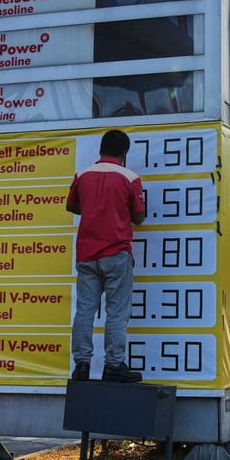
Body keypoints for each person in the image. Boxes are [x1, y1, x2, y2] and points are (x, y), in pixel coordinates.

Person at [68, 129, 146, 383]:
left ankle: (81, 364)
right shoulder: (130, 178)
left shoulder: (82, 175)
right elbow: (139, 216)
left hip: (87, 254)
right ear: (124, 153)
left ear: (100, 149)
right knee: (116, 311)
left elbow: (71, 206)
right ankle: (113, 364)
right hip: (116, 253)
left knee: (85, 310)